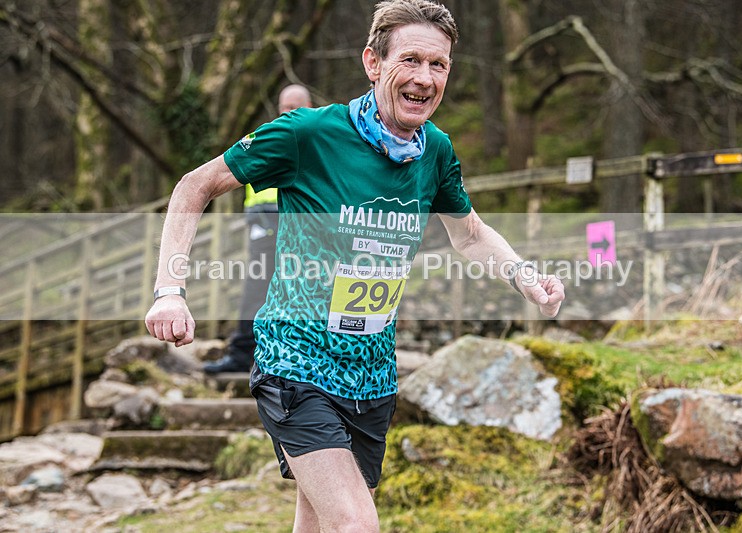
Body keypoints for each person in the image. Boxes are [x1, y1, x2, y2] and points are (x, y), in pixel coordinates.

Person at [145, 1, 565, 530]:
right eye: (409, 60)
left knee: (318, 522)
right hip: (296, 363)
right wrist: (169, 289)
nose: (424, 78)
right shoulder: (308, 134)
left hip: (370, 373)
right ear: (373, 62)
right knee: (355, 523)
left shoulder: (435, 150)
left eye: (438, 65)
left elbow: (471, 234)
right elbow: (194, 186)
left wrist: (526, 279)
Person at [204, 84, 313, 374]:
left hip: (300, 226)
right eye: (285, 107)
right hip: (263, 226)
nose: (289, 112)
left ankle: (297, 355)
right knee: (255, 290)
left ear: (310, 106)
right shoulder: (268, 137)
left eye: (295, 106)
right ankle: (242, 354)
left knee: (302, 288)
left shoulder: (316, 139)